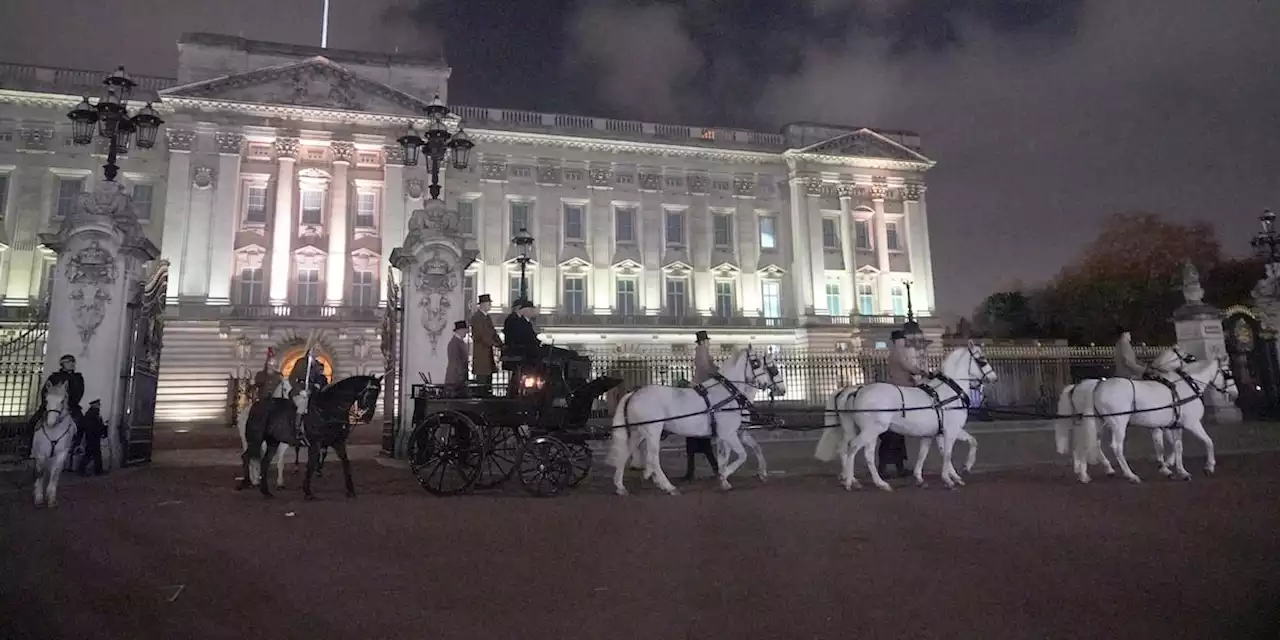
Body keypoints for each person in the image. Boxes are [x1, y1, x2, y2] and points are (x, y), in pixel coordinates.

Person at [882, 330, 923, 477]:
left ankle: (897, 465)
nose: (904, 341)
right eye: (902, 339)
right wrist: (923, 372)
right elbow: (908, 367)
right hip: (902, 387)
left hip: (900, 385)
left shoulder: (896, 352)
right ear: (897, 341)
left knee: (898, 436)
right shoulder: (898, 352)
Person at [684, 330, 721, 481]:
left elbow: (711, 365)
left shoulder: (703, 350)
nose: (708, 342)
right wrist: (718, 374)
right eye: (707, 340)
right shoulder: (701, 351)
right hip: (702, 383)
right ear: (702, 342)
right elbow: (706, 368)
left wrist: (719, 371)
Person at [29, 354, 86, 432]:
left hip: (71, 406)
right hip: (53, 405)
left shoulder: (78, 378)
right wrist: (47, 403)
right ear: (63, 364)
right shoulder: (54, 377)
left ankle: (78, 443)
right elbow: (45, 391)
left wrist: (70, 403)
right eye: (69, 362)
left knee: (82, 424)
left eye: (73, 362)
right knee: (33, 422)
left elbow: (79, 392)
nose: (72, 364)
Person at [502, 300, 543, 396]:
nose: (533, 312)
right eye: (531, 310)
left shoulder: (525, 322)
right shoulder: (517, 321)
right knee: (519, 374)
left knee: (518, 375)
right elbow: (521, 337)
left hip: (524, 352)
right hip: (522, 352)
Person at [470, 294, 503, 397]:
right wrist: (494, 343)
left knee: (488, 377)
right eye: (489, 304)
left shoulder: (486, 317)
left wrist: (500, 343)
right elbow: (481, 335)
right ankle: (482, 397)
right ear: (482, 304)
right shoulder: (477, 317)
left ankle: (487, 395)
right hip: (481, 353)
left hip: (487, 353)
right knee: (482, 379)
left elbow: (492, 332)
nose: (490, 306)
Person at [74, 399, 107, 476]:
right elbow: (89, 426)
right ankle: (83, 469)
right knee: (91, 454)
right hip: (92, 437)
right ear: (94, 406)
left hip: (94, 437)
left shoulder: (95, 414)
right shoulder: (91, 414)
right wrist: (98, 432)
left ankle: (98, 470)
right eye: (98, 404)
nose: (99, 406)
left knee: (95, 454)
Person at [444, 320, 470, 397]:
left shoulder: (458, 342)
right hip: (455, 378)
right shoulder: (455, 343)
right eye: (465, 330)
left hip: (457, 377)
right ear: (460, 331)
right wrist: (461, 375)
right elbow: (455, 361)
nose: (466, 332)